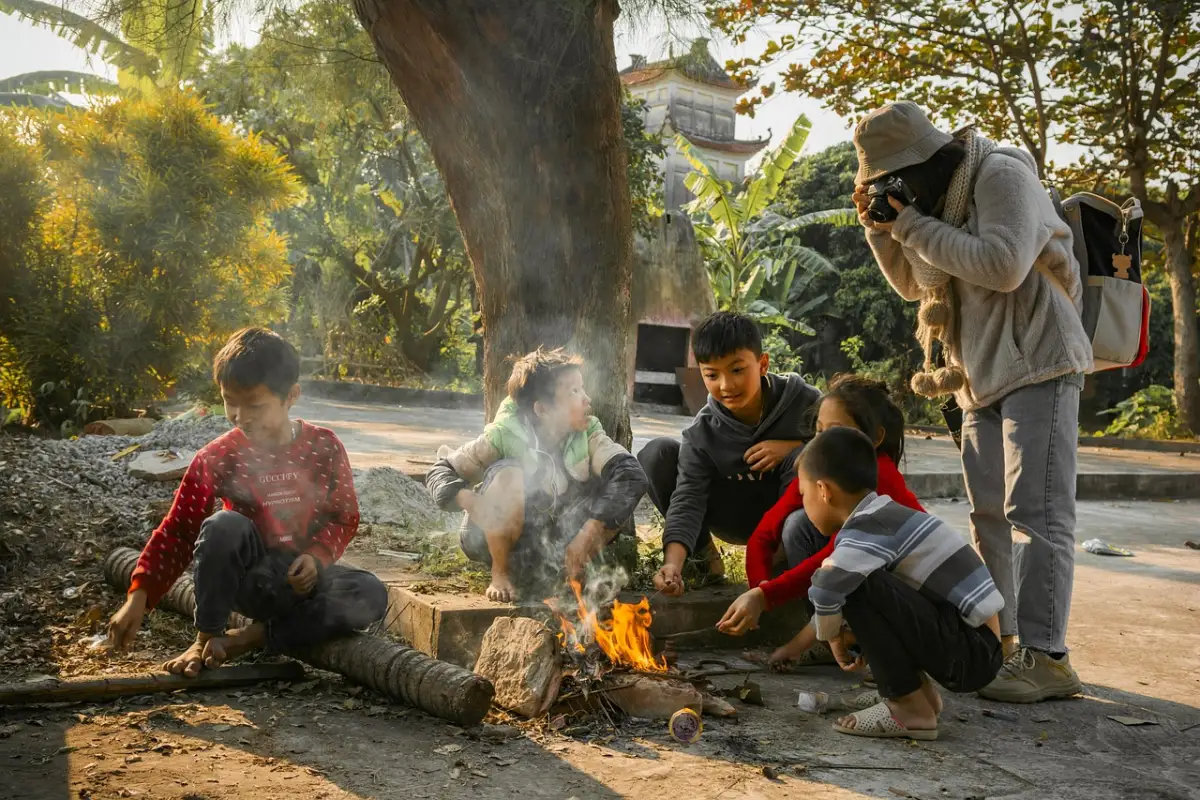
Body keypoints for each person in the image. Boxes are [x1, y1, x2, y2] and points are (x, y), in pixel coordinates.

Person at [852, 101, 1091, 702]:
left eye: (892, 180)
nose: (889, 190)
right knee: (988, 515)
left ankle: (1049, 656)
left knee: (1035, 513)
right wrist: (880, 229)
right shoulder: (931, 205)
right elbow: (914, 282)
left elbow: (1005, 265)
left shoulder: (1002, 172)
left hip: (1039, 357)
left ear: (925, 162)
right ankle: (1003, 641)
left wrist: (907, 225)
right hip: (975, 372)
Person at [106, 328, 389, 676]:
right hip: (249, 581)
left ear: (291, 397)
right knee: (224, 525)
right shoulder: (218, 455)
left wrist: (316, 558)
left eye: (255, 405)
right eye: (229, 402)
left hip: (303, 585)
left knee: (370, 592)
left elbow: (344, 517)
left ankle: (249, 638)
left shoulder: (324, 446)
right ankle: (206, 636)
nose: (240, 416)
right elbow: (178, 531)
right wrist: (138, 597)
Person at [801, 426, 1004, 740]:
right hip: (975, 645)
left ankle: (907, 706)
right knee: (861, 585)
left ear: (823, 490)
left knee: (855, 585)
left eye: (804, 495)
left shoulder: (866, 527)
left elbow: (826, 585)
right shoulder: (886, 515)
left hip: (971, 652)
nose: (805, 504)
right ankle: (921, 697)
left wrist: (831, 637)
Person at [717, 375, 925, 667]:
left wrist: (766, 597)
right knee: (797, 525)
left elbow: (836, 558)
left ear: (875, 438)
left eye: (836, 431)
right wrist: (758, 588)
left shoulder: (881, 478)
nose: (824, 442)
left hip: (910, 594)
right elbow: (765, 532)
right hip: (854, 566)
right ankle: (832, 638)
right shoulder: (821, 466)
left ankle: (874, 650)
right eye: (819, 431)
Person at [426, 348, 647, 602]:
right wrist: (470, 501)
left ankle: (572, 571)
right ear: (542, 409)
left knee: (616, 486)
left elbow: (631, 475)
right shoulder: (504, 434)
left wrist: (588, 534)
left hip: (554, 545)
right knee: (508, 473)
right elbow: (440, 471)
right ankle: (501, 572)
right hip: (500, 541)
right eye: (574, 392)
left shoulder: (588, 434)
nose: (587, 399)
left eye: (582, 388)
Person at [638, 311, 821, 596]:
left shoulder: (807, 401)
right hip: (734, 515)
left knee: (809, 459)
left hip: (792, 518)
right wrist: (671, 563)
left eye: (737, 370)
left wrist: (796, 448)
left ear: (762, 364)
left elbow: (848, 443)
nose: (726, 385)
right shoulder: (702, 432)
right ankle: (704, 561)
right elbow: (688, 499)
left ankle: (786, 565)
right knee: (655, 453)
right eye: (712, 374)